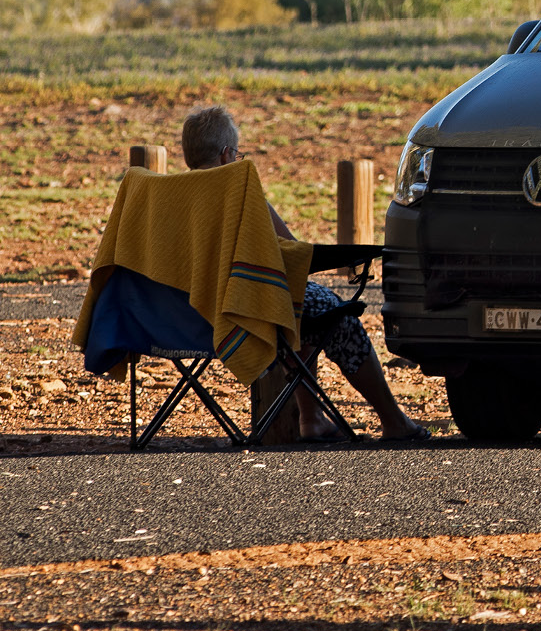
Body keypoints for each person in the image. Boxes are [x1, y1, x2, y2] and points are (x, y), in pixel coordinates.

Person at [181, 105, 425, 442]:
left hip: (184, 317)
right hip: (245, 312)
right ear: (226, 155)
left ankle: (312, 420)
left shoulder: (170, 199)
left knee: (298, 310)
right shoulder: (238, 189)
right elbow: (294, 253)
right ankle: (394, 422)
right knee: (331, 316)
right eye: (237, 154)